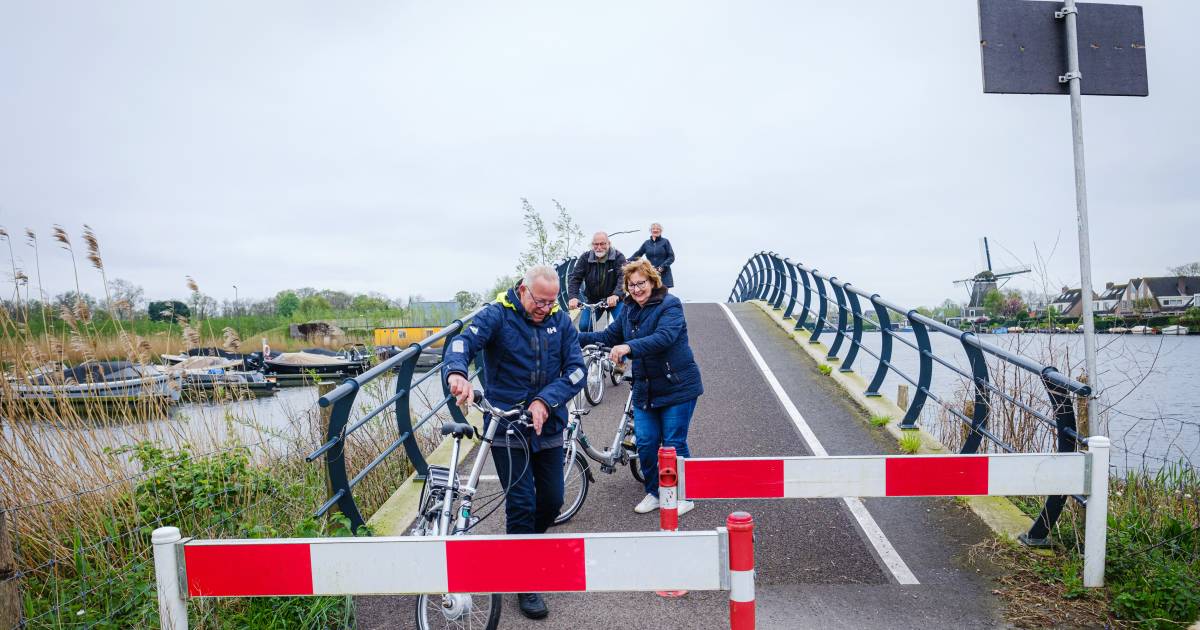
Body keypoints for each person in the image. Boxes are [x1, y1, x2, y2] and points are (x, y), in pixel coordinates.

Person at [444, 264, 586, 620]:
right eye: (540, 301)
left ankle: (522, 552)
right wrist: (458, 373)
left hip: (548, 426)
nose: (546, 308)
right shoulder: (498, 315)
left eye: (552, 302)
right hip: (507, 428)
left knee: (552, 501)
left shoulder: (560, 321)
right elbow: (462, 342)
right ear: (523, 290)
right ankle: (525, 579)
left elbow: (577, 370)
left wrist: (545, 400)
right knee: (521, 503)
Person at [578, 258, 703, 514]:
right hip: (645, 388)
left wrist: (629, 347)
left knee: (673, 443)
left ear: (652, 281)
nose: (636, 289)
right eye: (631, 285)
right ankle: (655, 492)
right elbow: (608, 337)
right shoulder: (628, 309)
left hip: (677, 386)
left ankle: (684, 495)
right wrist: (571, 337)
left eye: (641, 283)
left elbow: (664, 338)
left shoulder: (670, 305)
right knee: (645, 442)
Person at [567, 231, 627, 332]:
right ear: (592, 245)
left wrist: (616, 295)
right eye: (596, 244)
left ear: (609, 243)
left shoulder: (618, 257)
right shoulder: (585, 258)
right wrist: (573, 297)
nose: (599, 247)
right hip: (594, 301)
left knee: (623, 324)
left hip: (615, 300)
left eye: (602, 244)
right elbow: (575, 278)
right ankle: (591, 346)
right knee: (584, 326)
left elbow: (623, 277)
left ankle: (622, 346)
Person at [630, 222, 675, 288]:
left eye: (657, 229)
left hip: (664, 273)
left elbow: (671, 257)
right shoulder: (646, 243)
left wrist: (662, 267)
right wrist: (627, 260)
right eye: (653, 228)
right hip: (651, 272)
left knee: (663, 295)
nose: (655, 230)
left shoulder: (665, 242)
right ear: (650, 231)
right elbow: (638, 254)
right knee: (651, 294)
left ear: (661, 231)